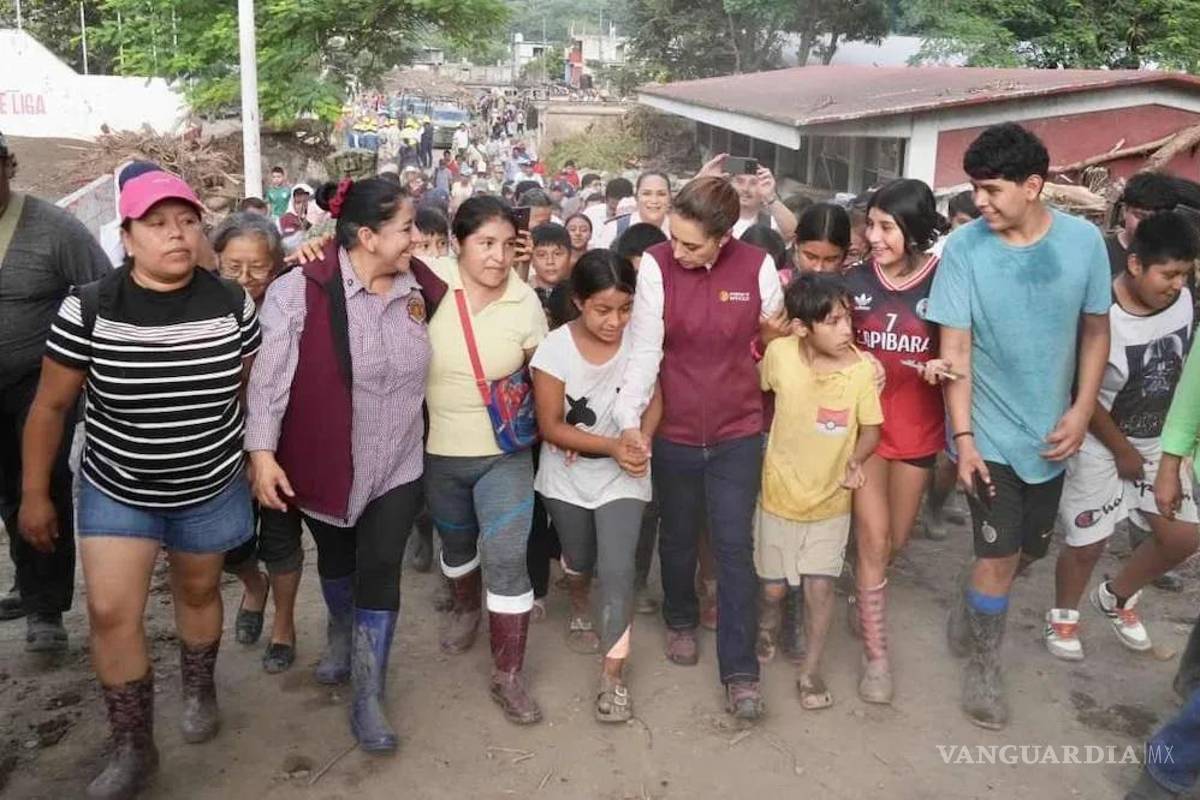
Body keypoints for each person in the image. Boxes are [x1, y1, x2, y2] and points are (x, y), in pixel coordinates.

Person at [21, 171, 260, 797]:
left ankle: (200, 685)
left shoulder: (233, 304)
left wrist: (248, 453)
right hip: (116, 484)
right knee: (108, 611)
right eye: (156, 224)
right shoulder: (91, 307)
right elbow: (49, 408)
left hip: (208, 483)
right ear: (126, 236)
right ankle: (133, 745)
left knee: (200, 592)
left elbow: (248, 386)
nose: (175, 235)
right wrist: (34, 491)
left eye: (185, 221)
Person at [929, 123, 1111, 730]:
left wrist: (1082, 408)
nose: (978, 201)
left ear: (1033, 186)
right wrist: (964, 441)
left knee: (1028, 551)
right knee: (999, 555)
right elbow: (955, 348)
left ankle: (975, 592)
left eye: (990, 189)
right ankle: (984, 666)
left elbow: (1094, 329)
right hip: (990, 436)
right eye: (975, 188)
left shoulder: (1084, 244)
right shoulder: (963, 251)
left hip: (1053, 436)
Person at [246, 178, 437, 753]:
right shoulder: (297, 291)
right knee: (335, 558)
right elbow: (270, 383)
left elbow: (478, 272)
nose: (415, 238)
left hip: (399, 461)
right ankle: (339, 631)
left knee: (381, 567)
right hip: (326, 458)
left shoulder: (422, 285)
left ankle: (368, 692)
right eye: (405, 228)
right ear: (366, 235)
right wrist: (261, 455)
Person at [616, 176, 785, 721]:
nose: (680, 252)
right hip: (676, 430)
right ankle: (681, 619)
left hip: (739, 430)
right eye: (675, 240)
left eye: (693, 244)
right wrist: (629, 421)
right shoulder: (658, 267)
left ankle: (740, 672)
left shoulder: (756, 266)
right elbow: (644, 350)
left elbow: (775, 345)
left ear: (725, 236)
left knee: (735, 547)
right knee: (679, 535)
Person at [1047, 210, 1199, 662]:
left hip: (1159, 442)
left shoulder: (1186, 299)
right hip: (1099, 440)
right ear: (1135, 264)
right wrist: (1121, 449)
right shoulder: (1101, 313)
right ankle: (1063, 616)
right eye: (1167, 274)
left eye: (1184, 274)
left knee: (1184, 536)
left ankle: (1116, 597)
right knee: (1088, 541)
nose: (1176, 284)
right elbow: (1083, 393)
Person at [424, 196, 549, 724]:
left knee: (505, 557)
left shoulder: (525, 303)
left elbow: (539, 378)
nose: (497, 257)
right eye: (484, 244)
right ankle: (466, 606)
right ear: (458, 243)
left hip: (503, 456)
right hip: (437, 453)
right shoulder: (427, 280)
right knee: (455, 545)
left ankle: (509, 675)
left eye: (505, 244)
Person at [531, 250, 658, 722]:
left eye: (625, 309)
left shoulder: (640, 345)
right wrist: (611, 445)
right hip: (566, 477)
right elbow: (550, 425)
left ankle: (612, 677)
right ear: (579, 301)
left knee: (618, 567)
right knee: (579, 558)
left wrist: (639, 439)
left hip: (624, 475)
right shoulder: (555, 349)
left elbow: (654, 401)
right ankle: (579, 597)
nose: (616, 321)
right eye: (603, 310)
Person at [0, 131, 112, 642]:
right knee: (9, 490)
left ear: (8, 166)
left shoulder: (53, 229)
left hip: (40, 383)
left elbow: (106, 291)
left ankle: (46, 609)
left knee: (40, 482)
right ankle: (30, 581)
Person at [841, 178, 948, 704]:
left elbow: (963, 347)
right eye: (872, 224)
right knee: (874, 540)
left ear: (915, 228)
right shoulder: (854, 280)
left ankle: (862, 593)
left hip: (920, 431)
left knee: (895, 543)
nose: (874, 236)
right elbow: (832, 343)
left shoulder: (945, 282)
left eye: (887, 226)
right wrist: (858, 361)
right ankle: (877, 658)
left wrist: (942, 366)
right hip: (865, 430)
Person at [755, 271, 882, 710]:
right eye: (832, 321)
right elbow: (757, 389)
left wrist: (856, 461)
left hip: (831, 500)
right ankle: (768, 623)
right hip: (777, 494)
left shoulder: (863, 371)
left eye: (847, 319)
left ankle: (810, 671)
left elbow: (871, 430)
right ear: (802, 327)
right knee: (772, 588)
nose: (845, 330)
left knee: (820, 588)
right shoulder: (780, 355)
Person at [211, 213, 306, 674]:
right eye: (233, 267)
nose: (246, 279)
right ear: (216, 261)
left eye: (258, 268)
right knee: (228, 542)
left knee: (282, 538)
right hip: (219, 445)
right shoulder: (203, 302)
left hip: (283, 443)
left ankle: (284, 624)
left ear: (277, 265)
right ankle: (253, 585)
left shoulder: (295, 296)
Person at [1106, 173, 1179, 277]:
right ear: (1124, 211)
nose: (1147, 225)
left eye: (1156, 219)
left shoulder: (1177, 257)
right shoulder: (1102, 251)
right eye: (1140, 216)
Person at [592, 172, 671, 250]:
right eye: (646, 193)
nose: (654, 200)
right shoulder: (614, 229)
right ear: (636, 197)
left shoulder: (678, 230)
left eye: (661, 194)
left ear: (670, 197)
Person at [788, 202, 851, 279]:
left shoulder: (856, 288)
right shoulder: (776, 285)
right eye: (810, 257)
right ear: (796, 244)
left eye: (830, 260)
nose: (818, 268)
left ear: (845, 254)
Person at [529, 222, 572, 307]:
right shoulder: (521, 291)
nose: (550, 261)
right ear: (531, 260)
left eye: (557, 254)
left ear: (570, 256)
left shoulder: (580, 293)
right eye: (542, 255)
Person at [278, 184, 315, 251]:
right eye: (298, 202)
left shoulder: (316, 218)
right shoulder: (283, 220)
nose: (302, 206)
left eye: (305, 202)